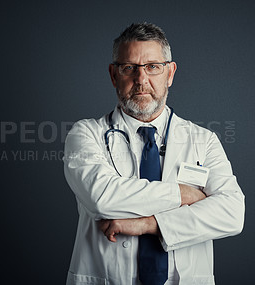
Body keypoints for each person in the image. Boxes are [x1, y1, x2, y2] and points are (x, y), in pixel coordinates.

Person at [63, 22, 245, 285]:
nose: (141, 80)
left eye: (153, 67)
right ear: (114, 75)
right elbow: (102, 197)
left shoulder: (204, 140)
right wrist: (183, 194)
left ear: (169, 73)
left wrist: (150, 224)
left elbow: (232, 213)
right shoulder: (86, 134)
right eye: (129, 68)